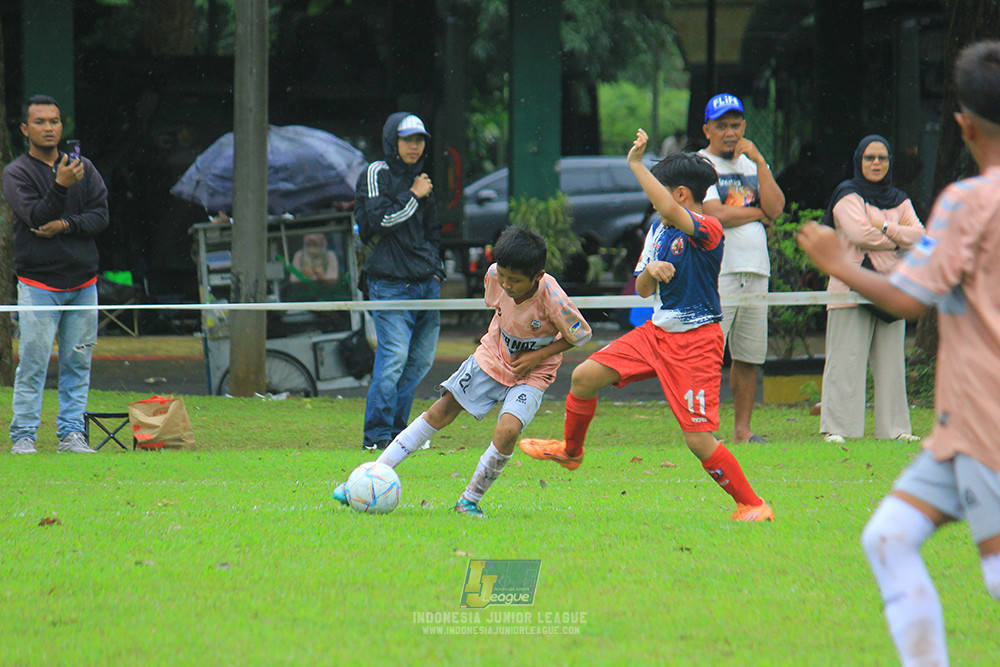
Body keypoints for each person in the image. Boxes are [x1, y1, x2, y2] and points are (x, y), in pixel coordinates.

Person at [797, 40, 1000, 666]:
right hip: (956, 431)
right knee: (888, 537)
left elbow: (910, 298)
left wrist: (838, 263)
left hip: (987, 417)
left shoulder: (968, 202)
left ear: (962, 125)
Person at [519, 129, 774, 522]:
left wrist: (636, 164)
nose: (654, 200)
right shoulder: (658, 230)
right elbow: (640, 289)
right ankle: (571, 452)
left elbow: (672, 212)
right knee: (584, 377)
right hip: (656, 335)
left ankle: (752, 504)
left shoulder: (709, 229)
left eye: (660, 190)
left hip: (696, 342)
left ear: (681, 195)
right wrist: (652, 271)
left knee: (699, 441)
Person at [334, 226, 592, 517]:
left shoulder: (553, 298)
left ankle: (469, 500)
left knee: (508, 431)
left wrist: (538, 356)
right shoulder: (494, 276)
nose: (506, 284)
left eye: (515, 280)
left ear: (538, 276)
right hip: (492, 357)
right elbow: (500, 308)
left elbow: (580, 335)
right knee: (440, 411)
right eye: (503, 276)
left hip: (532, 373)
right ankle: (369, 476)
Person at [3, 95, 109, 454]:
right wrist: (61, 185)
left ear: (62, 126)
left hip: (83, 283)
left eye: (54, 121)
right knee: (32, 363)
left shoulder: (84, 168)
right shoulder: (16, 172)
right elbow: (35, 217)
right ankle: (23, 437)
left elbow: (101, 216)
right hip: (38, 284)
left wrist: (65, 224)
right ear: (25, 129)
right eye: (40, 122)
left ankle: (71, 435)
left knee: (78, 361)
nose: (48, 128)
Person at [818, 135, 924, 444]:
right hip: (849, 288)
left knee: (892, 363)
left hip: (891, 290)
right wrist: (898, 236)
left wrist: (885, 226)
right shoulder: (847, 194)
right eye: (869, 158)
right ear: (858, 161)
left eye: (882, 158)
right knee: (845, 362)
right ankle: (839, 429)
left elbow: (922, 237)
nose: (876, 163)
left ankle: (895, 430)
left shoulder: (899, 198)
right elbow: (858, 233)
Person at [354, 112, 444, 451]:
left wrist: (436, 270)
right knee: (393, 359)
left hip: (426, 284)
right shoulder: (376, 172)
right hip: (389, 283)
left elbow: (433, 232)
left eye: (419, 140)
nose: (415, 146)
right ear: (393, 141)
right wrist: (414, 195)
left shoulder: (422, 179)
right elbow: (378, 222)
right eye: (408, 139)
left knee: (419, 361)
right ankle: (375, 436)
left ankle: (396, 432)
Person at [699, 93, 785, 444]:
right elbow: (715, 214)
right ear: (708, 130)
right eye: (722, 126)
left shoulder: (751, 165)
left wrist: (761, 162)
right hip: (721, 271)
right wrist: (758, 214)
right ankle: (705, 430)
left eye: (736, 125)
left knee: (749, 356)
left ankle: (743, 430)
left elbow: (777, 207)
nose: (730, 132)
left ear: (744, 127)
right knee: (710, 355)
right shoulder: (701, 165)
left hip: (757, 270)